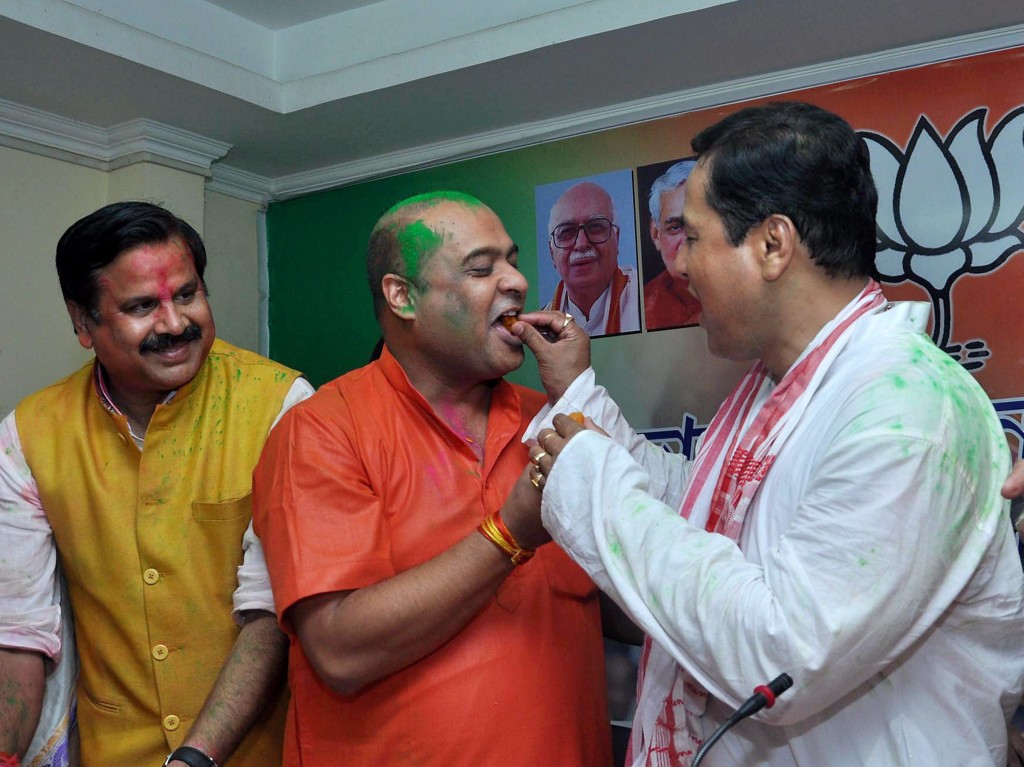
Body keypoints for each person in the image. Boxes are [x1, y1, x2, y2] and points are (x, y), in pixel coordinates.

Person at [507, 102, 1024, 766]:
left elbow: (779, 657)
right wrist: (582, 405)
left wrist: (593, 488)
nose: (678, 266)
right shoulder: (780, 384)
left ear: (773, 246)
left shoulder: (906, 412)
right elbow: (699, 509)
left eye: (693, 238)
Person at [251, 191, 613, 766]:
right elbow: (340, 652)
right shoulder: (322, 430)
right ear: (403, 296)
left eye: (513, 260)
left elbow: (620, 603)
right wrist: (509, 534)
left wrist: (581, 403)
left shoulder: (552, 421)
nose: (518, 281)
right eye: (481, 268)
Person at [0, 201, 313, 767]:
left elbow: (273, 612)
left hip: (262, 751)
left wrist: (195, 758)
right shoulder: (28, 435)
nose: (174, 324)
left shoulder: (281, 404)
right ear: (82, 322)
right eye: (142, 306)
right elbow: (20, 630)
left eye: (187, 295)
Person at [544, 181, 640, 337]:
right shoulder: (540, 328)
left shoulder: (646, 300)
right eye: (567, 232)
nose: (581, 244)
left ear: (616, 239)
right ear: (551, 253)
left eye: (595, 227)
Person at [642, 160, 702, 330]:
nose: (689, 242)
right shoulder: (642, 308)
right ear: (656, 234)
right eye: (675, 227)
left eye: (702, 224)